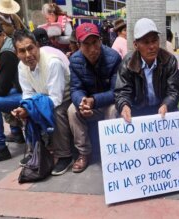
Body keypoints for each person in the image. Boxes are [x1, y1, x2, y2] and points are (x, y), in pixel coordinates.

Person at [12, 30, 73, 176]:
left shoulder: (53, 62)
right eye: (22, 51)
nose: (28, 55)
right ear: (16, 53)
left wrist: (33, 107)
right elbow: (27, 93)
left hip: (64, 98)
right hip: (42, 97)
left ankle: (65, 155)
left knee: (56, 112)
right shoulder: (22, 66)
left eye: (30, 48)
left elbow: (56, 99)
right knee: (25, 108)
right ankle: (35, 150)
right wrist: (26, 107)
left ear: (37, 46)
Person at [68, 23, 121, 173]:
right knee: (72, 110)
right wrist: (82, 102)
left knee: (114, 109)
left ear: (100, 40)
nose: (93, 49)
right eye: (86, 44)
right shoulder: (75, 61)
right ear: (79, 45)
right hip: (88, 103)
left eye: (95, 42)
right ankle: (84, 153)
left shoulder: (113, 57)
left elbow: (117, 91)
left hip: (107, 102)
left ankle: (112, 152)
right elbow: (75, 89)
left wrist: (94, 101)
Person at [115, 18, 179, 123]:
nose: (152, 47)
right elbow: (122, 92)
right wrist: (124, 106)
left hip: (162, 109)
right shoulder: (127, 63)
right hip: (137, 110)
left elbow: (173, 92)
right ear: (135, 45)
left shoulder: (169, 60)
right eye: (146, 42)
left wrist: (166, 104)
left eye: (154, 41)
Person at [0, 22, 22, 164]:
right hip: (23, 90)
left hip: (29, 94)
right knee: (1, 95)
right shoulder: (8, 46)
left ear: (2, 35)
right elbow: (5, 83)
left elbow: (2, 90)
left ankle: (0, 149)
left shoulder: (7, 53)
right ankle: (16, 133)